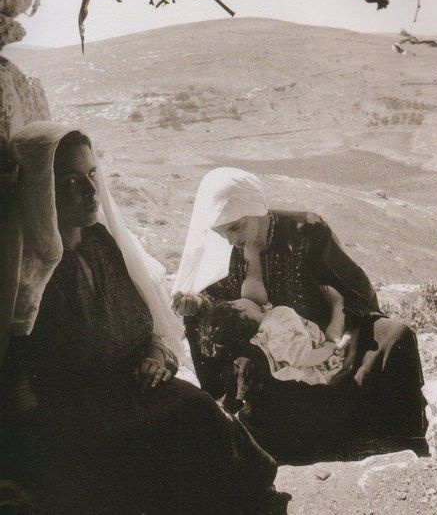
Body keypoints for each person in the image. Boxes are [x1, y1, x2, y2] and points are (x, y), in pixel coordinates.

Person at [0, 124, 276, 515]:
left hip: (134, 394)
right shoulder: (22, 276)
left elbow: (146, 327)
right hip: (75, 422)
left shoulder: (102, 244)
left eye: (92, 174)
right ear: (39, 189)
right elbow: (18, 387)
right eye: (71, 182)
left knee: (202, 415)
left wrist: (157, 356)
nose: (92, 190)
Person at [172, 167, 427, 462]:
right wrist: (197, 305)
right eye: (222, 232)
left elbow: (354, 292)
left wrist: (347, 335)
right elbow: (218, 309)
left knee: (395, 335)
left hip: (329, 335)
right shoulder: (226, 251)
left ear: (255, 208)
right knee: (255, 370)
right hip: (275, 358)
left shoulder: (306, 231)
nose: (231, 239)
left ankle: (403, 440)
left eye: (236, 228)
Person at [200, 298, 345, 385]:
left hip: (316, 349)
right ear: (239, 306)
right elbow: (303, 358)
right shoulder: (277, 328)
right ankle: (339, 303)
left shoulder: (263, 332)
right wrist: (329, 349)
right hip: (323, 363)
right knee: (342, 335)